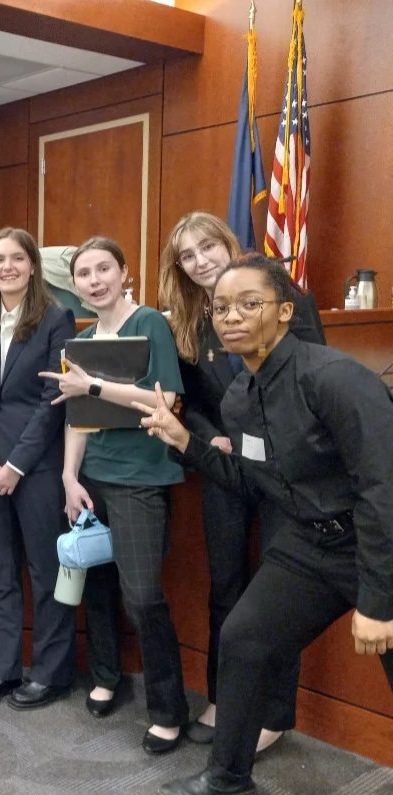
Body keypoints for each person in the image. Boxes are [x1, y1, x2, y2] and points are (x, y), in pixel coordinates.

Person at [138, 254, 393, 795]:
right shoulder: (240, 398)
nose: (231, 317)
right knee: (245, 638)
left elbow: (384, 490)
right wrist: (186, 442)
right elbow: (253, 482)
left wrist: (378, 600)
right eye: (221, 307)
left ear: (283, 312)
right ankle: (228, 780)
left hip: (379, 541)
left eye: (249, 304)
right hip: (309, 544)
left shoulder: (335, 379)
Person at [159, 211, 324, 751]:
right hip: (224, 469)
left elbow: (311, 370)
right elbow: (194, 400)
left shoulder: (274, 291)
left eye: (208, 246)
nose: (201, 260)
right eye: (188, 255)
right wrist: (212, 438)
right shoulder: (187, 316)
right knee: (226, 585)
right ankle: (223, 697)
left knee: (278, 591)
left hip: (284, 468)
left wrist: (254, 431)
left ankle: (274, 714)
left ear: (228, 244)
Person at [39, 236, 189, 753]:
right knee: (94, 585)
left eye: (104, 269)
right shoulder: (79, 340)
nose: (95, 280)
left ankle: (169, 710)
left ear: (125, 272)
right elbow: (75, 416)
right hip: (91, 479)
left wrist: (95, 387)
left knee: (142, 596)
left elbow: (163, 401)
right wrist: (68, 476)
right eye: (84, 273)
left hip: (141, 479)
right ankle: (108, 675)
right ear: (74, 285)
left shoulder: (150, 324)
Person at [0, 227, 77, 711]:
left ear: (32, 265)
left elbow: (54, 400)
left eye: (16, 258)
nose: (6, 267)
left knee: (46, 571)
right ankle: (2, 670)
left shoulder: (56, 319)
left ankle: (50, 673)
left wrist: (15, 465)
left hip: (37, 466)